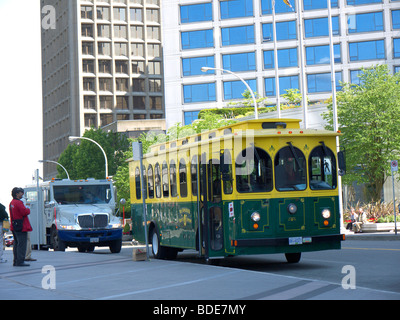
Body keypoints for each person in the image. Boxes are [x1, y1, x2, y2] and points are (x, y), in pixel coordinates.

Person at [9, 187, 32, 267]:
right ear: (17, 194)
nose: (22, 194)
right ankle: (20, 261)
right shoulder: (19, 203)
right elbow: (24, 212)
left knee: (16, 244)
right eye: (20, 193)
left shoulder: (12, 202)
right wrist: (28, 208)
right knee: (22, 244)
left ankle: (15, 260)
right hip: (21, 226)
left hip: (14, 225)